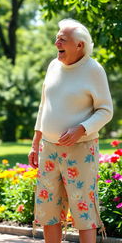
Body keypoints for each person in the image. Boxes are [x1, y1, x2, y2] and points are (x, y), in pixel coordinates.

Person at [28, 19, 113, 243]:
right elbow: (43, 105)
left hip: (81, 150)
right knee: (48, 211)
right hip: (49, 149)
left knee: (83, 210)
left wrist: (82, 129)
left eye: (62, 39)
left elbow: (106, 110)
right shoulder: (53, 66)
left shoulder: (94, 70)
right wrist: (35, 143)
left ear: (80, 45)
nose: (57, 42)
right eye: (57, 37)